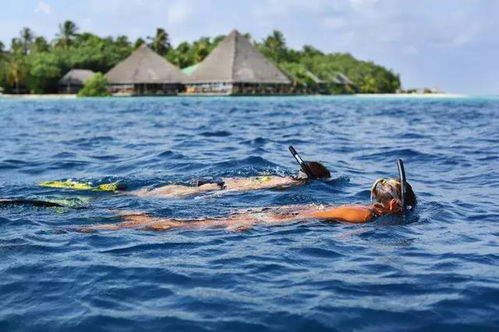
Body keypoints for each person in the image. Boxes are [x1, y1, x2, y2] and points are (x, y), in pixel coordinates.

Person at [83, 160, 416, 232]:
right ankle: (117, 226)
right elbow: (312, 216)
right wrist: (259, 222)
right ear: (391, 204)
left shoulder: (365, 210)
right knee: (192, 226)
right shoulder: (367, 216)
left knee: (196, 223)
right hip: (274, 219)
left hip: (275, 215)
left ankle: (131, 222)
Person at [130, 160, 330, 198]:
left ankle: (117, 192)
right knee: (155, 196)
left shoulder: (282, 176)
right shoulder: (288, 183)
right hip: (219, 189)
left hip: (219, 182)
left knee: (152, 192)